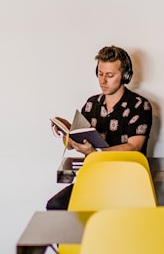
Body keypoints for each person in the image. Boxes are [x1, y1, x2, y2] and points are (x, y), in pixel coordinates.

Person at [46, 45, 153, 210]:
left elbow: (134, 146)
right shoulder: (91, 104)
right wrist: (67, 133)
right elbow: (71, 144)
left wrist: (95, 154)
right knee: (55, 206)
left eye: (110, 75)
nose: (103, 81)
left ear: (126, 76)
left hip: (126, 183)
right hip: (94, 179)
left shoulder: (139, 105)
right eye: (100, 74)